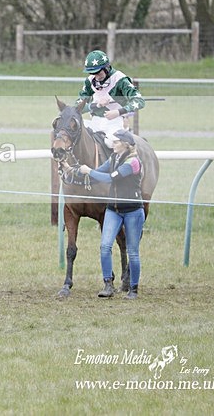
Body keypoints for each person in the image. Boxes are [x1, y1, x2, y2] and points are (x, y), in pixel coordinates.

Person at [72, 129, 145, 300]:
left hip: (133, 211)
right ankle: (108, 284)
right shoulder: (114, 158)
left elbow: (110, 178)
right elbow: (98, 173)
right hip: (113, 210)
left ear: (125, 145)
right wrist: (75, 172)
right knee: (105, 246)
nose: (113, 144)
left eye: (117, 142)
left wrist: (88, 171)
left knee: (133, 252)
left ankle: (133, 289)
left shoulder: (132, 162)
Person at [75, 50, 144, 148]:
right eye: (92, 73)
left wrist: (118, 112)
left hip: (115, 123)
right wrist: (96, 105)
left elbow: (139, 101)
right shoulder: (89, 81)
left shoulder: (120, 80)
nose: (96, 76)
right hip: (94, 121)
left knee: (111, 143)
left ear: (106, 68)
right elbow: (77, 107)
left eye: (98, 72)